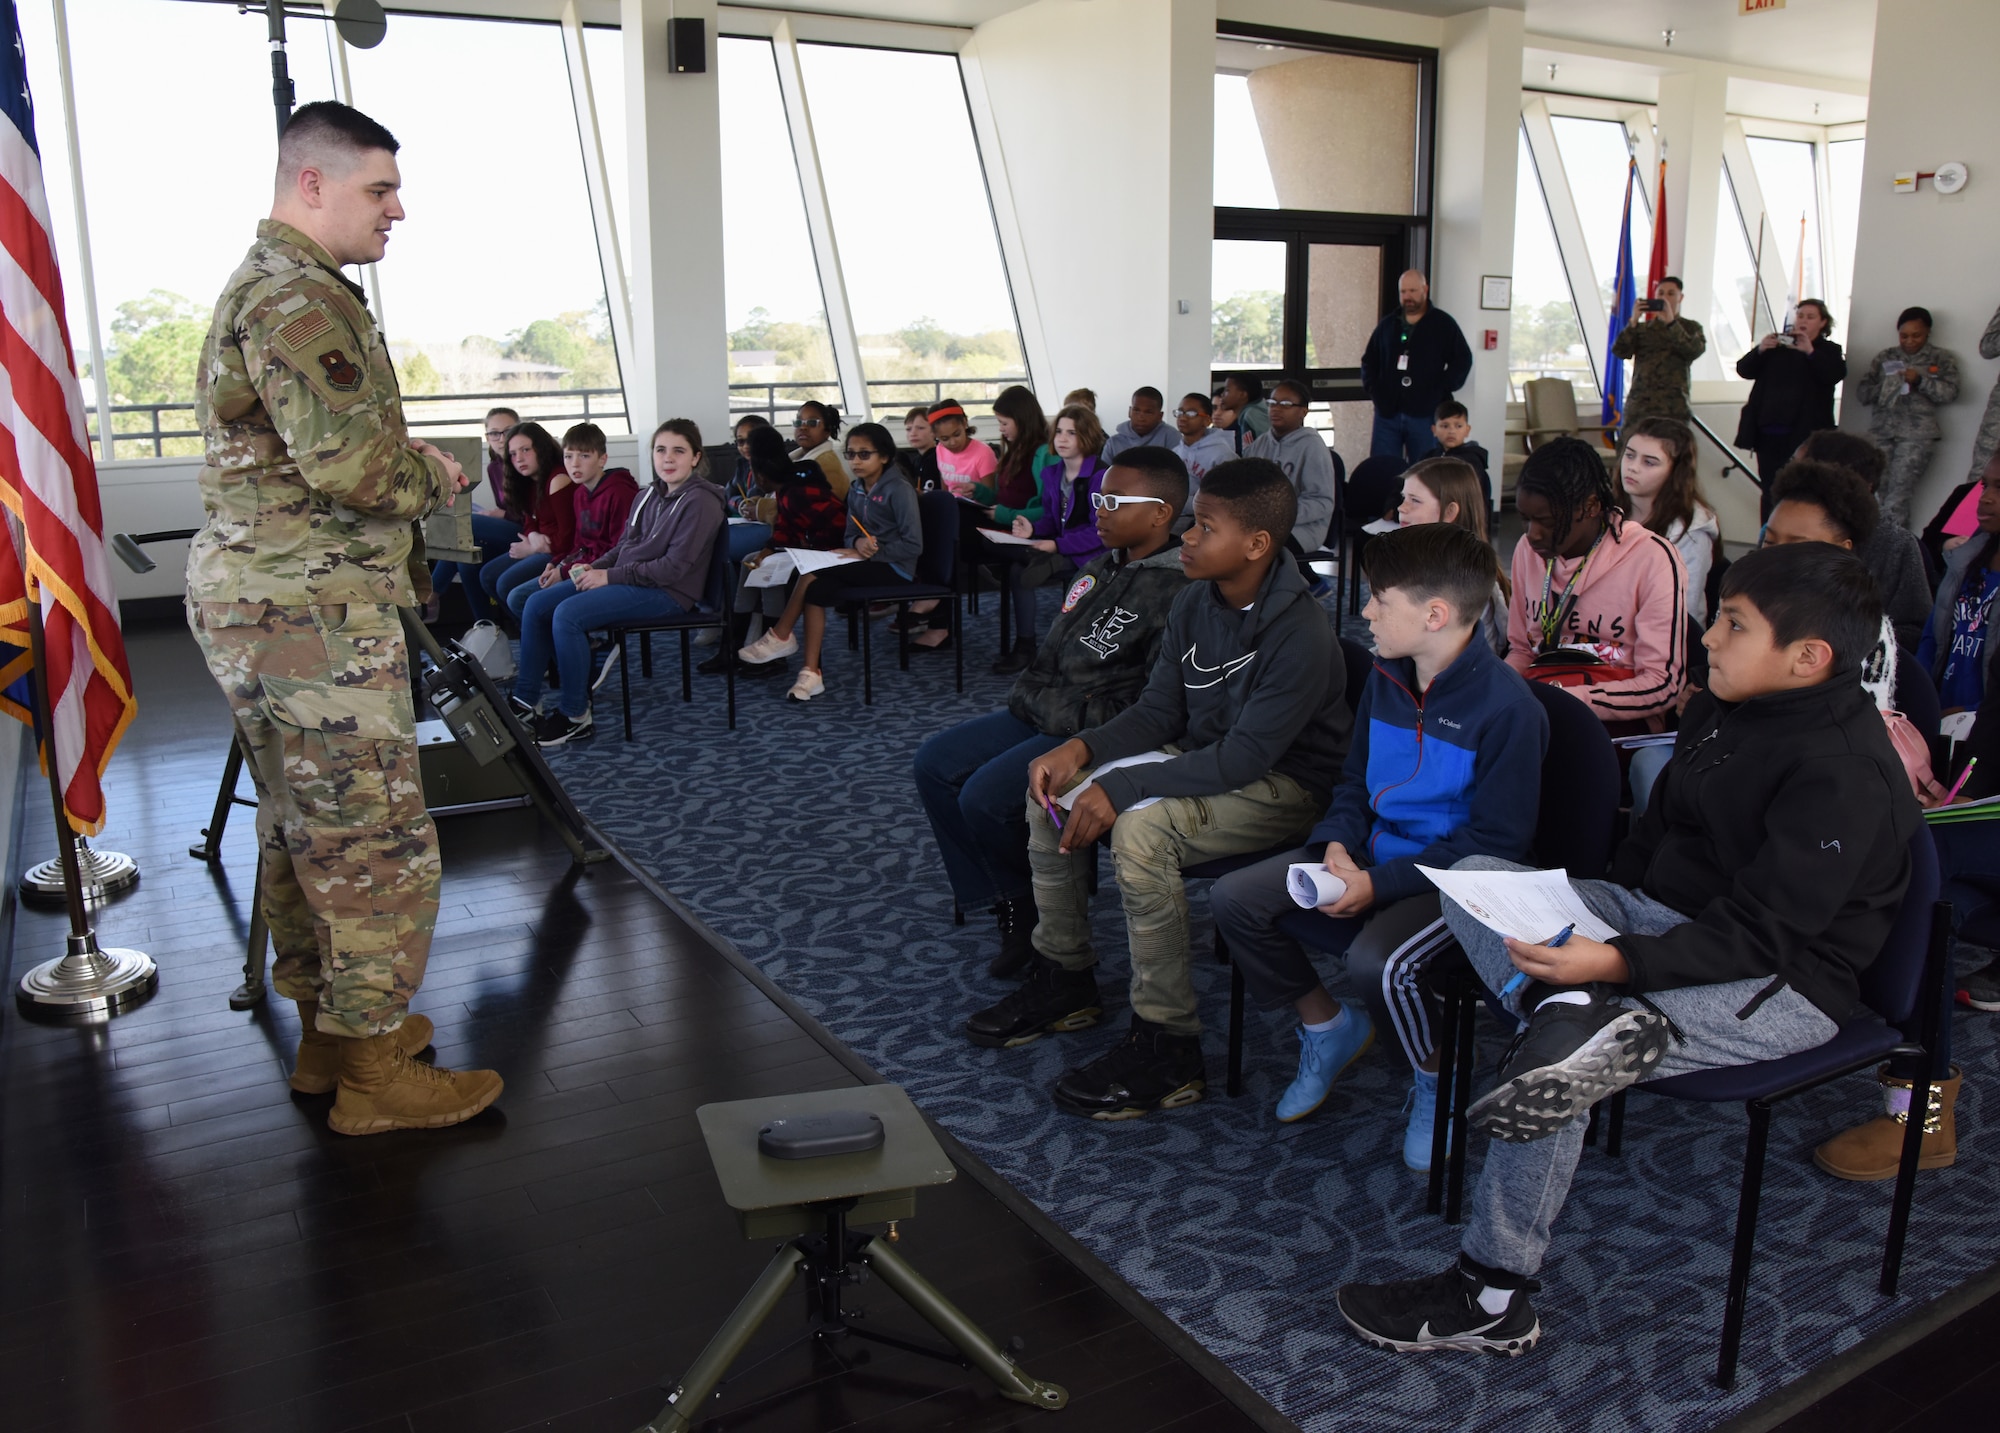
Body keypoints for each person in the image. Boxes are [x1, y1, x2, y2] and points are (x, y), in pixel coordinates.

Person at [1337, 541, 1919, 1357]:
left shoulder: (1845, 771)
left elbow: (1762, 933)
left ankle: (1492, 1292)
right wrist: (1598, 926)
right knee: (1472, 875)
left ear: (1808, 658)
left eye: (1733, 623)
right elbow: (1657, 839)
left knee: (1561, 1062)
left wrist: (1614, 963)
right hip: (1658, 920)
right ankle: (1568, 1008)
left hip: (1777, 981)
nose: (1708, 637)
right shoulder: (1726, 704)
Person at [186, 100, 502, 1134]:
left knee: (303, 826)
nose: (397, 210)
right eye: (379, 188)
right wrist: (433, 472)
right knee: (371, 838)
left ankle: (330, 1033)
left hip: (273, 605)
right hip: (308, 614)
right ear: (310, 184)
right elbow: (357, 465)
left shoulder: (277, 286)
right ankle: (374, 1073)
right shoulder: (301, 302)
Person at [972, 459, 1352, 1118]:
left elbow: (1245, 758)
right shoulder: (1195, 600)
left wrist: (1122, 787)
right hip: (1208, 755)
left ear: (1256, 545)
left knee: (1143, 831)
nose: (1188, 536)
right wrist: (1081, 750)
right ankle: (1066, 974)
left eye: (1205, 527)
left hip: (1285, 783)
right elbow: (1158, 713)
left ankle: (1167, 1041)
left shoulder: (1300, 631)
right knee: (1054, 799)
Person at [1209, 524, 1545, 1168]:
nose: (1364, 612)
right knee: (1236, 899)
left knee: (1378, 964)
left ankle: (1436, 1076)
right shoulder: (1389, 677)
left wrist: (1380, 884)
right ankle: (1328, 1027)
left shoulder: (1508, 710)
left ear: (1435, 615)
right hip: (1371, 853)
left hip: (1453, 881)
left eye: (1378, 599)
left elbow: (1496, 845)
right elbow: (1355, 781)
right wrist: (1337, 841)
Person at [913, 448, 1190, 979]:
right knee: (934, 763)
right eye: (1097, 499)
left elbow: (1155, 701)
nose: (1100, 511)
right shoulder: (1103, 565)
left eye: (1114, 501)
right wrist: (1035, 697)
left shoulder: (1178, 588)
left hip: (1090, 728)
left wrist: (1078, 724)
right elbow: (1057, 651)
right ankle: (1009, 895)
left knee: (986, 797)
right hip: (1042, 708)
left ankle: (1034, 906)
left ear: (1160, 513)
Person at [511, 419, 724, 745]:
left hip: (668, 592)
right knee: (538, 603)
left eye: (678, 451)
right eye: (660, 450)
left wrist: (608, 576)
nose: (668, 458)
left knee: (567, 615)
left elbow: (672, 569)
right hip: (632, 578)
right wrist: (589, 568)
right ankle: (526, 700)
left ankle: (575, 714)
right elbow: (624, 547)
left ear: (695, 458)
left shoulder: (700, 502)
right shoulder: (651, 494)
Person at [1505, 436, 1688, 732]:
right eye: (1525, 519)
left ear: (1590, 507)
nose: (1532, 534)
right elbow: (1522, 650)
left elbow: (1662, 683)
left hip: (1616, 717)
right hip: (1540, 702)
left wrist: (1570, 699)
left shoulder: (1652, 557)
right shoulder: (1528, 550)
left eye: (1547, 521)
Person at [736, 422, 921, 704]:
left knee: (814, 570)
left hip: (895, 568)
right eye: (850, 454)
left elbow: (913, 545)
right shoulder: (858, 489)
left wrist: (870, 552)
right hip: (865, 562)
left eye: (864, 455)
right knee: (816, 591)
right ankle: (811, 674)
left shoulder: (899, 490)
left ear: (884, 456)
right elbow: (850, 532)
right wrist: (857, 544)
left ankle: (781, 635)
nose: (855, 462)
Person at [704, 425, 847, 677]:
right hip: (807, 547)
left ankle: (774, 657)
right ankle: (733, 646)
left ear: (761, 476)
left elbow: (810, 529)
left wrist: (776, 551)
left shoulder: (796, 490)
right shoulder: (789, 486)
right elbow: (785, 528)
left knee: (770, 569)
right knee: (752, 561)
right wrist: (768, 549)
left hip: (825, 551)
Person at [994, 405, 1111, 676]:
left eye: (1072, 433)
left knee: (1048, 569)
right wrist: (1032, 528)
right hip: (1061, 547)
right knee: (1017, 570)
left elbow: (1099, 531)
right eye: (1058, 431)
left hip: (1092, 553)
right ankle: (1026, 645)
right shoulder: (1054, 474)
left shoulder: (1100, 476)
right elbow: (1052, 519)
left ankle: (1064, 650)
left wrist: (1057, 545)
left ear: (1088, 437)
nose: (1062, 438)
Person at [1795, 430, 1935, 649]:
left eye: (1802, 471)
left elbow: (1914, 630)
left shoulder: (1895, 544)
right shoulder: (1782, 527)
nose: (1793, 480)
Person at [511, 423, 640, 623]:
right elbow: (579, 544)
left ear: (602, 459)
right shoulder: (580, 492)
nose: (575, 464)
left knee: (528, 601)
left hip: (602, 572)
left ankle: (585, 644)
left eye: (584, 456)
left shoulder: (620, 493)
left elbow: (618, 551)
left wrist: (563, 571)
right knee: (518, 598)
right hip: (581, 565)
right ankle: (570, 646)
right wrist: (554, 563)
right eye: (568, 456)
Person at [1733, 298, 1846, 517]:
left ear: (1822, 322)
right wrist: (1760, 350)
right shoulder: (1778, 346)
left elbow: (1833, 374)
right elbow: (1744, 370)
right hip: (1768, 434)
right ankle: (1767, 541)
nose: (1803, 320)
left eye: (1810, 317)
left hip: (1805, 436)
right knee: (1770, 491)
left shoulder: (1829, 350)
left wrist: (1810, 352)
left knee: (1804, 491)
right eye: (1800, 315)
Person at [1856, 306, 1961, 529]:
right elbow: (1863, 393)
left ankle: (1895, 552)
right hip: (1882, 434)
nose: (1910, 341)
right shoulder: (1885, 357)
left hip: (1917, 437)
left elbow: (1950, 393)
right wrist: (1885, 386)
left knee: (1898, 497)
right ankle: (1879, 544)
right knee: (1878, 494)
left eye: (1916, 335)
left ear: (1928, 333)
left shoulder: (1940, 358)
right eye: (1904, 335)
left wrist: (1920, 381)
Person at [1398, 456, 1509, 656]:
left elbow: (1475, 662)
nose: (1402, 507)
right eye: (1403, 498)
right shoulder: (1414, 563)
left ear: (1450, 512)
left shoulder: (1470, 580)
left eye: (1414, 500)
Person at [429, 405, 528, 624]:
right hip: (508, 528)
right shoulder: (495, 467)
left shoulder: (524, 461)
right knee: (467, 556)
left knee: (467, 521)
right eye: (494, 433)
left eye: (508, 431)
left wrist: (502, 515)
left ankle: (433, 593)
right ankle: (484, 626)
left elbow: (532, 512)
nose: (501, 438)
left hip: (527, 531)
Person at [1918, 457, 2000, 720]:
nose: (1985, 497)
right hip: (1938, 719)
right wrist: (1920, 700)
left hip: (1984, 732)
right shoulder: (1964, 562)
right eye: (1985, 485)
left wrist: (1968, 713)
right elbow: (1932, 639)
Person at [1360, 270, 1472, 463]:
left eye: (1412, 290)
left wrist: (1440, 389)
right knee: (1383, 469)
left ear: (1425, 290)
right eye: (1403, 292)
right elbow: (1369, 361)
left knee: (1426, 469)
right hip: (1388, 413)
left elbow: (1462, 359)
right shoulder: (1388, 325)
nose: (1407, 297)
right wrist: (1375, 391)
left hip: (1426, 414)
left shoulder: (1443, 324)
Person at [1616, 417, 1719, 623]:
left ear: (1675, 472)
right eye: (1629, 455)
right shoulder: (1610, 510)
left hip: (1666, 638)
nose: (1633, 467)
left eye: (1649, 462)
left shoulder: (1690, 531)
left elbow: (1683, 610)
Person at [480, 420, 574, 619]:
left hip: (557, 551)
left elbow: (568, 538)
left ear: (541, 449)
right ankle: (527, 632)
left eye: (526, 450)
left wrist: (533, 548)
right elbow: (528, 518)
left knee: (505, 583)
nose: (519, 459)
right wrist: (532, 534)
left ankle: (537, 636)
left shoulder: (558, 479)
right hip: (539, 544)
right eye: (513, 454)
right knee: (488, 575)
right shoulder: (527, 480)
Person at [1244, 377, 1336, 556]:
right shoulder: (1261, 443)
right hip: (1260, 522)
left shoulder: (1312, 446)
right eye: (1272, 403)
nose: (1276, 409)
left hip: (1303, 528)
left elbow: (1322, 502)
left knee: (1256, 547)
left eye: (1286, 404)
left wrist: (1278, 515)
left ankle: (1308, 581)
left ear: (1303, 411)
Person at [1611, 276, 1706, 448]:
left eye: (1671, 293)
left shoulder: (1690, 328)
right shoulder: (1642, 329)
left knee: (1671, 458)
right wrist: (1633, 322)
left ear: (1680, 298)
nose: (1664, 297)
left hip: (1673, 408)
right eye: (1660, 293)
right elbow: (1620, 351)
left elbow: (1694, 350)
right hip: (1640, 406)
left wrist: (1671, 323)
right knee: (1630, 454)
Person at [989, 385, 1052, 528]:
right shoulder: (1013, 449)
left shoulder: (1045, 455)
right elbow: (1002, 495)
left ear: (1022, 420)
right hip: (1005, 521)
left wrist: (1008, 516)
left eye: (1004, 423)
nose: (1000, 428)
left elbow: (1049, 510)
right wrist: (978, 491)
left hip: (1023, 528)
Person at [1169, 392, 1236, 509]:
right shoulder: (1176, 452)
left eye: (1191, 413)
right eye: (1180, 412)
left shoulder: (1222, 454)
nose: (1183, 417)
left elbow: (1224, 498)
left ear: (1207, 420)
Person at [725, 415, 776, 566]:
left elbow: (754, 499)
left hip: (766, 526)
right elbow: (728, 494)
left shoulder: (771, 465)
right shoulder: (743, 465)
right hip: (743, 522)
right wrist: (738, 503)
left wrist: (738, 503)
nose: (746, 446)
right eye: (741, 441)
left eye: (752, 440)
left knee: (718, 544)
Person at [1426, 400, 1492, 515]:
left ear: (1467, 430)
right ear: (1434, 430)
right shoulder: (1428, 457)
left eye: (1458, 426)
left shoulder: (1472, 461)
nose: (1451, 431)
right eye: (1445, 426)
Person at [929, 399, 998, 501]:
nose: (952, 443)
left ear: (965, 423)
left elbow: (992, 496)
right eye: (945, 439)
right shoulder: (940, 449)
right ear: (935, 435)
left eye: (957, 434)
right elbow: (945, 488)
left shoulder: (983, 453)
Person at [790, 400, 852, 498]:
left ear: (827, 430)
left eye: (812, 423)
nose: (803, 427)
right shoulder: (795, 459)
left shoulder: (826, 466)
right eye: (798, 422)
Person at [1103, 387, 1177, 460]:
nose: (1141, 417)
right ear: (1129, 412)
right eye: (1136, 410)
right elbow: (1105, 471)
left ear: (1160, 416)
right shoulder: (1113, 443)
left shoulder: (1171, 437)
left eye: (1148, 412)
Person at [1212, 373, 1271, 452]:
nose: (1222, 394)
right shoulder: (1245, 416)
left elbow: (1268, 446)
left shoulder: (1251, 414)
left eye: (1227, 390)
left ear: (1242, 395)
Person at [899, 405, 940, 490]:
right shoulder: (917, 460)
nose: (913, 433)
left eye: (920, 428)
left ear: (934, 431)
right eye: (908, 429)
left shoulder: (938, 458)